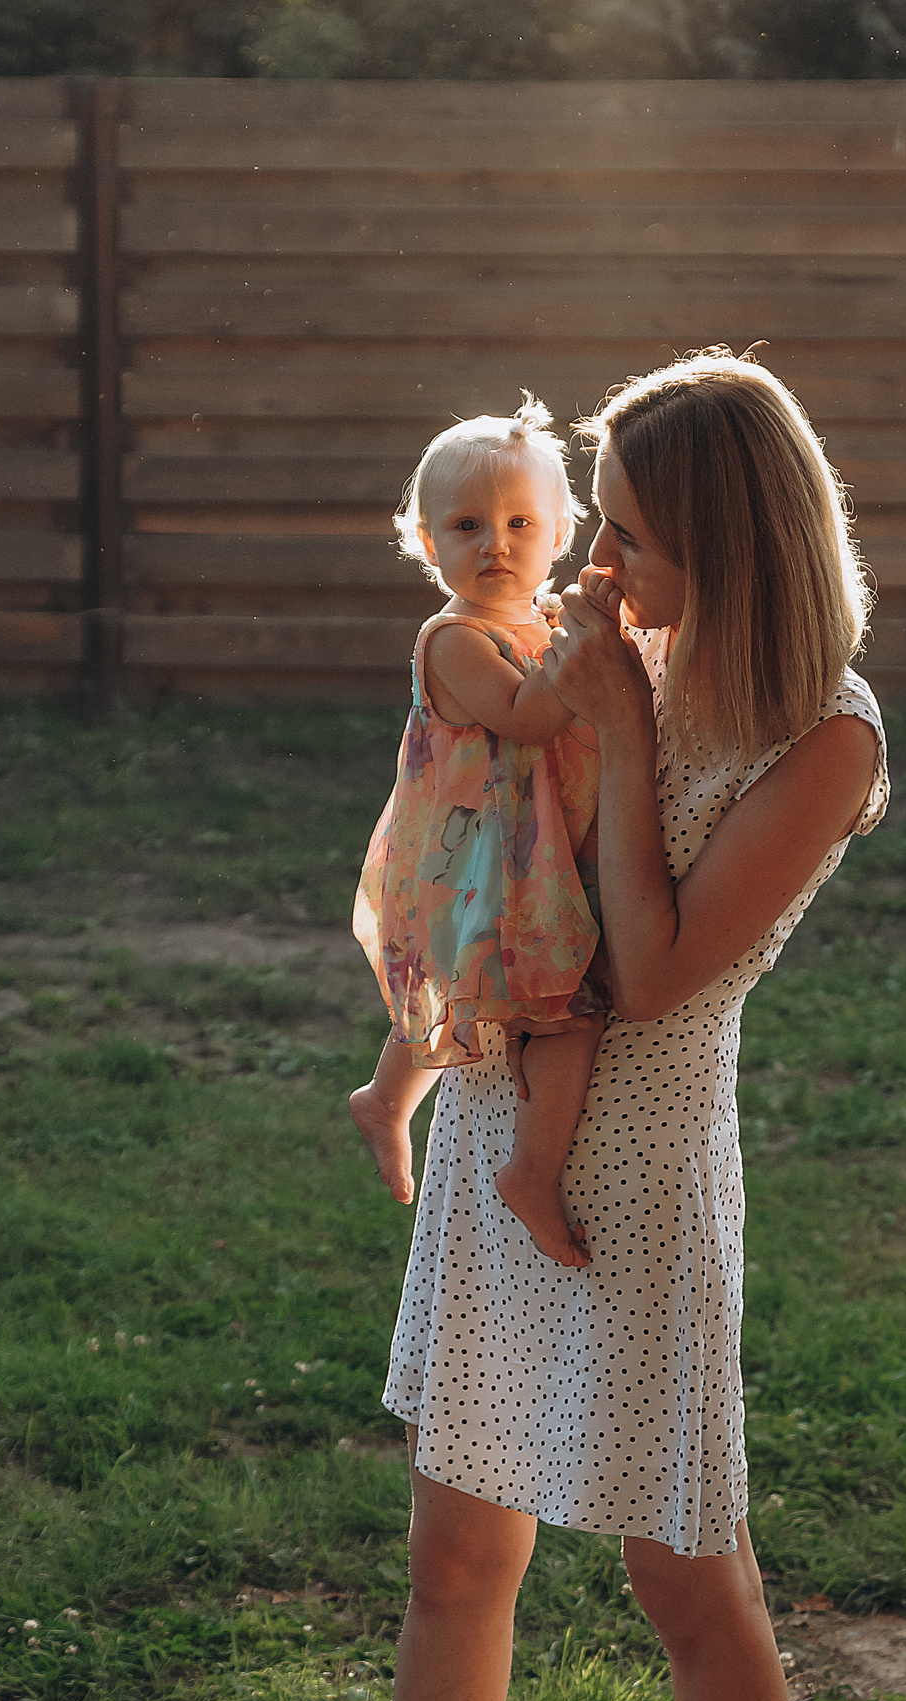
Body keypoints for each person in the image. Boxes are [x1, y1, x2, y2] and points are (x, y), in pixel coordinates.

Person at [371, 350, 889, 1701]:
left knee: (683, 1577)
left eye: (629, 535)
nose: (593, 559)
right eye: (594, 517)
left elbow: (651, 970)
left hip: (641, 1177)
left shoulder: (824, 737)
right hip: (506, 1127)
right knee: (455, 1558)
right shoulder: (617, 643)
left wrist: (604, 708)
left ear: (726, 548)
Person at [349, 396, 613, 1270]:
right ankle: (524, 1169)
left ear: (562, 532)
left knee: (463, 990)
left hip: (518, 851)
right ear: (427, 542)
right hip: (476, 860)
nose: (495, 543)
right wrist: (589, 643)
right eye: (467, 525)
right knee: (547, 1015)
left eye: (519, 521)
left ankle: (386, 1101)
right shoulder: (454, 638)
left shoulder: (538, 624)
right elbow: (529, 718)